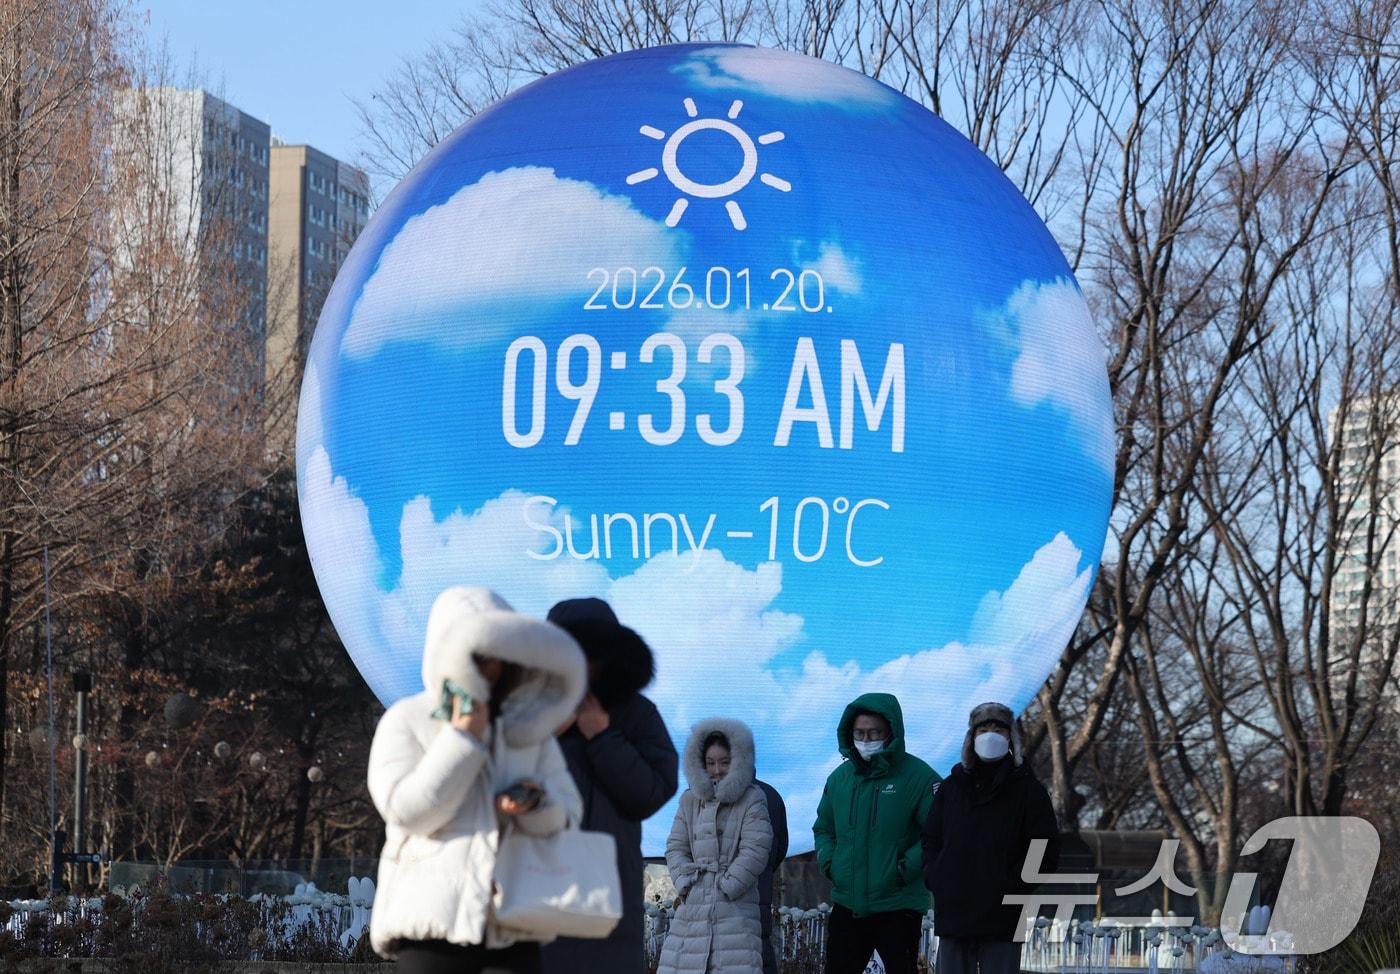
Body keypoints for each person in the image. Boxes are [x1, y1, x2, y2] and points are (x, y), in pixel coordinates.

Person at [367, 586, 587, 974]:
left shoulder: (530, 729)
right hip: (432, 926)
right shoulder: (408, 718)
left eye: (498, 652)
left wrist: (534, 805)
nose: (489, 665)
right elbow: (405, 812)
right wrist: (462, 739)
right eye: (477, 654)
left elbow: (568, 817)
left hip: (514, 925)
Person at [540, 598, 679, 974]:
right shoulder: (527, 710)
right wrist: (543, 735)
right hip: (536, 883)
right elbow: (497, 782)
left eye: (593, 650)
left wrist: (602, 735)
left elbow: (652, 791)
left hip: (609, 891)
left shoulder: (636, 712)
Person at [921, 701, 1061, 974]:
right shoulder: (952, 787)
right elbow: (931, 838)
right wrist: (935, 875)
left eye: (999, 728)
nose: (990, 735)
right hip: (954, 912)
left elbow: (1044, 848)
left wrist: (1014, 886)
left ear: (1011, 738)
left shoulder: (1028, 790)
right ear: (971, 736)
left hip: (1004, 917)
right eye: (983, 729)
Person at [814, 693, 941, 974]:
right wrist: (830, 863)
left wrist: (903, 870)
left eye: (874, 733)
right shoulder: (839, 779)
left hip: (898, 906)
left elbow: (937, 832)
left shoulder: (920, 778)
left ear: (891, 733)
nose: (866, 739)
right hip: (848, 904)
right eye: (860, 733)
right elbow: (824, 827)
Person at [658, 718, 774, 974]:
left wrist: (729, 885)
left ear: (738, 761)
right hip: (693, 907)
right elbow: (675, 847)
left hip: (735, 909)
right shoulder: (689, 800)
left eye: (724, 762)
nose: (717, 770)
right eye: (710, 763)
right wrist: (685, 882)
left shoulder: (752, 798)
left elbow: (756, 848)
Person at [754, 778, 789, 974]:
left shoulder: (702, 797)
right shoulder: (771, 795)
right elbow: (780, 849)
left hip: (730, 908)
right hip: (759, 898)